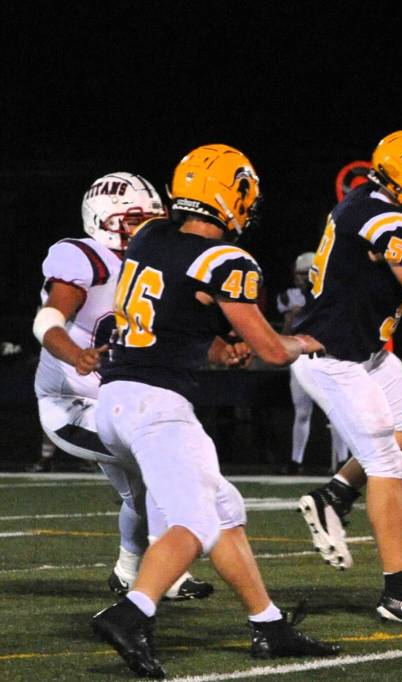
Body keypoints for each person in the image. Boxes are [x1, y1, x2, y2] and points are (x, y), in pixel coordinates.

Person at [90, 145, 337, 678]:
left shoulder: (151, 237)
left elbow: (167, 319)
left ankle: (268, 624)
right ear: (233, 194)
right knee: (197, 522)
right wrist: (307, 342)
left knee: (224, 510)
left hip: (115, 397)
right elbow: (272, 350)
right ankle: (131, 614)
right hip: (157, 405)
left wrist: (216, 350)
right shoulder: (225, 260)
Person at [291, 129, 402, 629]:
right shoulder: (392, 220)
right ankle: (400, 592)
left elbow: (391, 275)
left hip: (361, 353)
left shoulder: (363, 202)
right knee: (387, 461)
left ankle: (335, 494)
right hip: (333, 360)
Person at [33, 171, 213, 602]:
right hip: (72, 403)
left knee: (142, 486)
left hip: (119, 403)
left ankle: (130, 570)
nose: (146, 227)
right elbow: (47, 320)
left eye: (152, 218)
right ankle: (158, 573)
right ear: (104, 220)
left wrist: (225, 349)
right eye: (134, 219)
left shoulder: (151, 260)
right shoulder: (86, 256)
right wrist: (74, 355)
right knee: (163, 460)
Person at [276, 252, 347, 474]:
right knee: (302, 412)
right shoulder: (288, 296)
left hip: (327, 356)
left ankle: (342, 461)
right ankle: (296, 461)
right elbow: (285, 334)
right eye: (300, 274)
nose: (303, 278)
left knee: (337, 410)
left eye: (307, 273)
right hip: (301, 359)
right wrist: (292, 318)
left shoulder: (332, 293)